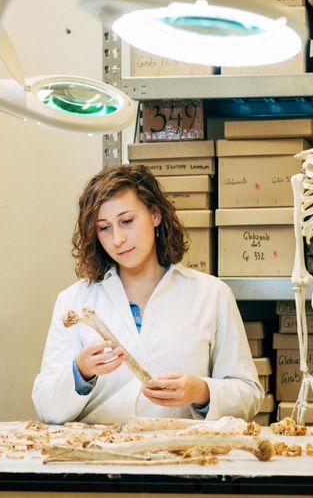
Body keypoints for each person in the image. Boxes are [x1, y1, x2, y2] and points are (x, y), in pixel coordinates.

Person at [32, 164, 263, 424]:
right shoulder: (74, 301)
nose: (117, 238)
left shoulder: (212, 295)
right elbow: (46, 408)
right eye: (104, 228)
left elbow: (249, 394)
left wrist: (202, 391)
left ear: (155, 215)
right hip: (99, 456)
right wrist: (80, 371)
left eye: (127, 221)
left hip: (181, 456)